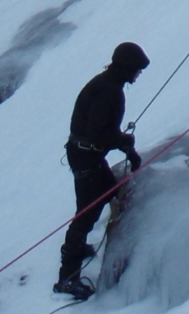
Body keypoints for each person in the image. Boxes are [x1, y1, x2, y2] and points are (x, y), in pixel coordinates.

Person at [55, 42, 150, 300]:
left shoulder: (108, 84)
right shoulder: (109, 91)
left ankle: (78, 244)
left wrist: (122, 144)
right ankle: (67, 277)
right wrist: (124, 144)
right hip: (86, 157)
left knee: (107, 189)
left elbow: (98, 131)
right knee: (86, 211)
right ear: (127, 67)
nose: (138, 75)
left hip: (86, 154)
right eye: (137, 70)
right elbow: (97, 132)